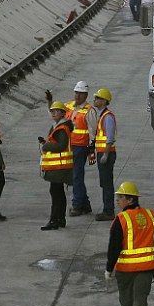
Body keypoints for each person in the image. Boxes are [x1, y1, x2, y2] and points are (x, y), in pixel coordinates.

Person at [106, 182, 154, 306]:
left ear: (130, 200)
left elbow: (114, 246)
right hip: (146, 267)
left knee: (126, 296)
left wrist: (109, 268)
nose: (118, 200)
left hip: (126, 269)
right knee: (140, 299)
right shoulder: (150, 215)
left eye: (121, 197)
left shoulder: (121, 219)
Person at [39, 101, 73, 230]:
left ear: (63, 113)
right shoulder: (58, 126)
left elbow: (61, 145)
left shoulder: (62, 128)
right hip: (58, 167)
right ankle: (60, 219)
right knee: (58, 193)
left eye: (56, 111)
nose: (53, 113)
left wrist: (46, 146)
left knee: (55, 193)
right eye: (52, 111)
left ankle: (54, 221)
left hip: (59, 167)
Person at [65, 81, 98, 216]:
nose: (78, 96)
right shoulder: (69, 106)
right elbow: (56, 114)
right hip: (70, 146)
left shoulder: (90, 111)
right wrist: (50, 101)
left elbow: (93, 130)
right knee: (76, 175)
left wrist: (91, 149)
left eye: (81, 94)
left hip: (81, 147)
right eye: (76, 93)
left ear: (86, 95)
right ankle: (85, 204)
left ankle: (77, 205)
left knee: (77, 176)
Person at [93, 88, 117, 221]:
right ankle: (107, 209)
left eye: (97, 98)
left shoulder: (107, 117)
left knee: (107, 183)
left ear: (103, 101)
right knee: (104, 182)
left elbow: (110, 138)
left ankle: (108, 211)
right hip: (102, 153)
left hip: (106, 154)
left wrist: (106, 155)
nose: (95, 100)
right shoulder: (102, 115)